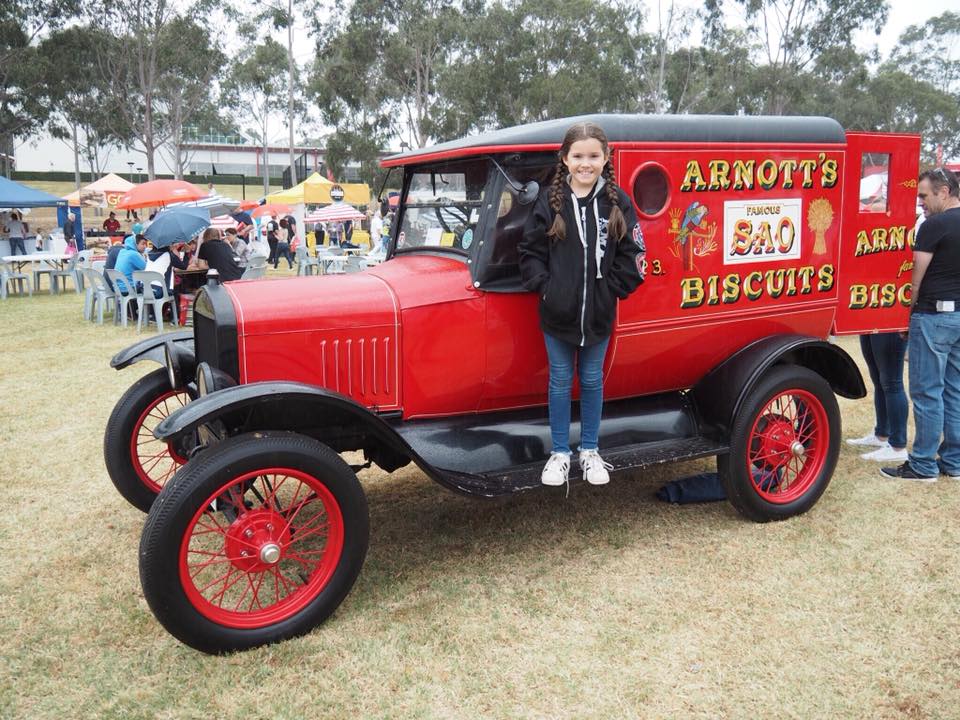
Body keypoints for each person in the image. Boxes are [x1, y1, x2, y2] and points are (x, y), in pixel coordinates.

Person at [518, 121, 645, 487]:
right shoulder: (549, 200)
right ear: (565, 158)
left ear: (606, 158)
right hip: (557, 315)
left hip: (600, 315)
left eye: (593, 155)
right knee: (559, 380)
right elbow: (530, 251)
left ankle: (590, 451)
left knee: (591, 380)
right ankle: (560, 453)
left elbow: (634, 253)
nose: (585, 163)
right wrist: (547, 289)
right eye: (578, 156)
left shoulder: (618, 202)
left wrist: (612, 291)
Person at [882, 167, 960, 482]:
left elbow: (916, 278)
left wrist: (906, 315)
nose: (922, 203)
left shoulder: (933, 225)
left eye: (924, 196)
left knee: (927, 392)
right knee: (954, 391)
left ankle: (923, 464)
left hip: (933, 316)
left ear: (943, 191)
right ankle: (954, 463)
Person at [847, 333, 909, 463]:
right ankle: (881, 434)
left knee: (892, 383)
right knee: (879, 381)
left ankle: (898, 446)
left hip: (890, 322)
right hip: (871, 320)